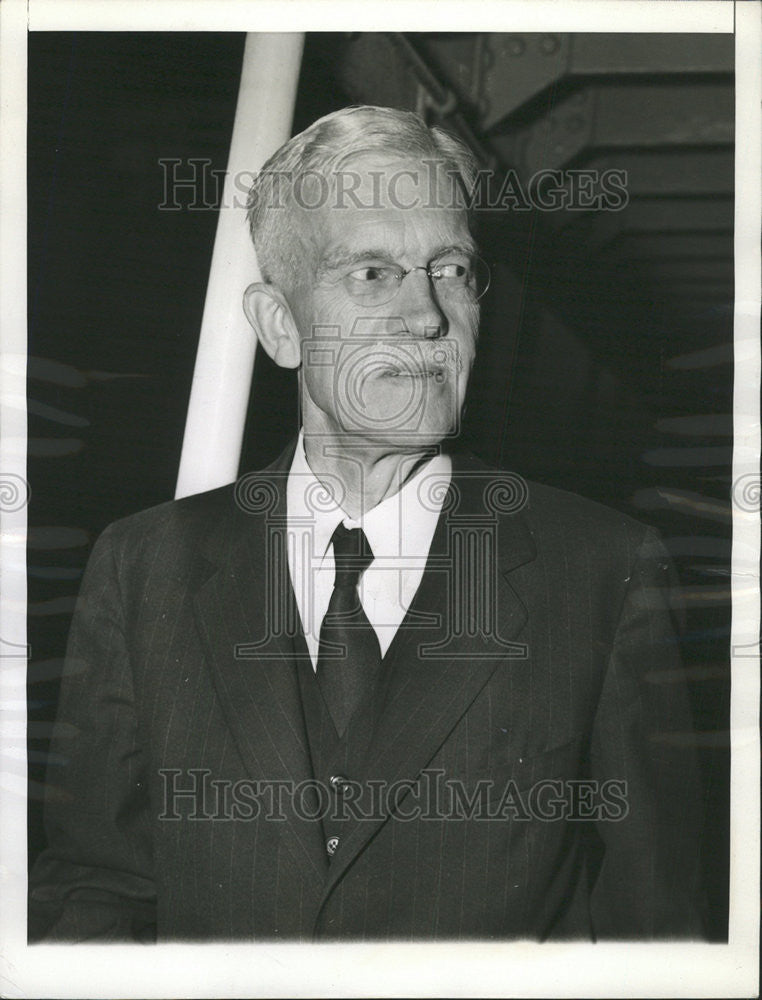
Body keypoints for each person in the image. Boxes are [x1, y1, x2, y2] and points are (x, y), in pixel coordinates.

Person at [29, 105, 707, 942]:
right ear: (281, 327)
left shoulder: (605, 570)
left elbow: (659, 923)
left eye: (451, 269)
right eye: (373, 274)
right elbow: (98, 887)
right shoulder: (144, 567)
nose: (429, 316)